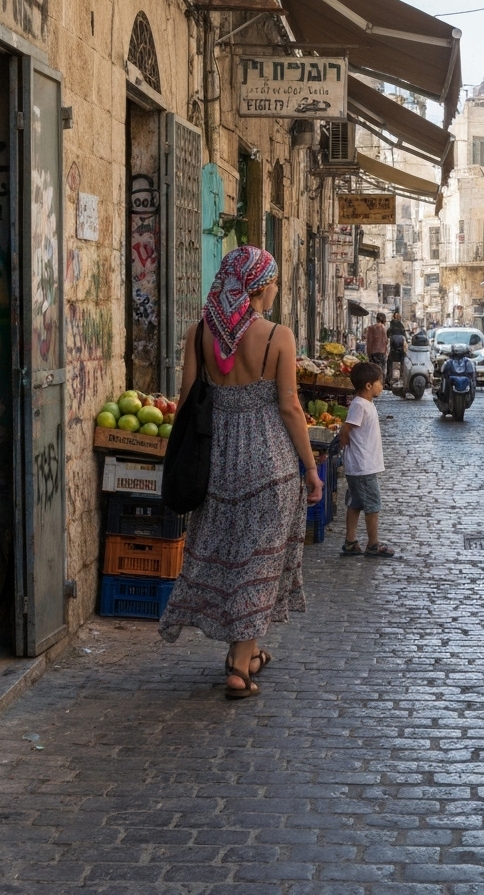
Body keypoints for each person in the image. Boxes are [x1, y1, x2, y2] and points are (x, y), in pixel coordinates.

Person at [159, 246, 323, 700]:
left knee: (232, 558)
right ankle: (237, 666)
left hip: (218, 465)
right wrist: (311, 468)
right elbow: (289, 407)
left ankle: (247, 653)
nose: (274, 290)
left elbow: (187, 399)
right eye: (271, 283)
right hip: (270, 465)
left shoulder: (198, 335)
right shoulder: (278, 337)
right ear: (257, 287)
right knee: (260, 562)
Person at [338, 362, 396, 558]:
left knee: (355, 503)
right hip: (363, 467)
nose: (383, 385)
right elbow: (347, 428)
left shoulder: (365, 404)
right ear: (369, 385)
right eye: (380, 382)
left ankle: (351, 542)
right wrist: (344, 441)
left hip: (360, 466)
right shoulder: (360, 405)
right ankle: (373, 544)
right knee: (373, 504)